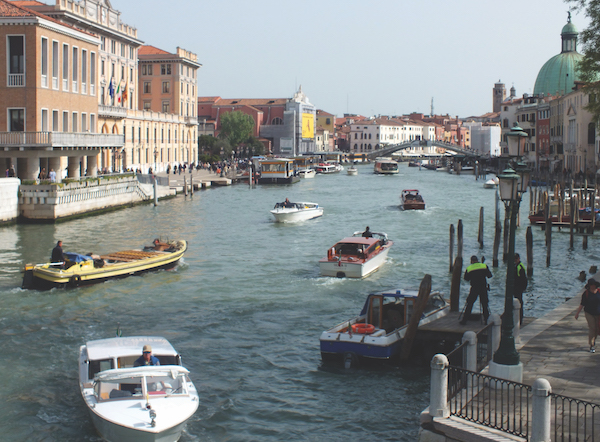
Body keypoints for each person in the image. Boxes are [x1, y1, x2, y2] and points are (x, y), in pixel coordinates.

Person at [460, 255, 493, 325]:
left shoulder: (469, 268)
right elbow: (490, 275)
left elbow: (466, 279)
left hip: (474, 288)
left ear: (471, 261)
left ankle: (464, 320)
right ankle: (486, 320)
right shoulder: (484, 266)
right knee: (484, 304)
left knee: (470, 303)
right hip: (483, 287)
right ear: (477, 260)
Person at [575, 278, 600, 353]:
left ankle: (593, 341)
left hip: (598, 313)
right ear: (589, 286)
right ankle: (591, 345)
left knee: (597, 329)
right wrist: (577, 313)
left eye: (593, 285)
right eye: (591, 285)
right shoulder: (586, 294)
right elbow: (582, 304)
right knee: (592, 328)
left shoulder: (599, 292)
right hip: (589, 313)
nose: (592, 286)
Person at [514, 253, 528, 324]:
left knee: (519, 303)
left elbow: (524, 279)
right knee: (517, 302)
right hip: (516, 287)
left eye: (516, 259)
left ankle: (520, 319)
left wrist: (523, 288)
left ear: (519, 259)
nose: (515, 260)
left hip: (518, 287)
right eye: (514, 259)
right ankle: (517, 318)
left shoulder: (520, 267)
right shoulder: (516, 266)